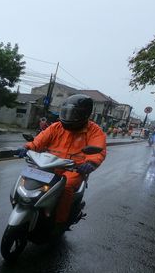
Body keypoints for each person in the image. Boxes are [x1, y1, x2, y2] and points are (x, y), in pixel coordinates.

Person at [18, 94, 107, 234]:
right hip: (48, 165)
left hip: (74, 169)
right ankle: (24, 204)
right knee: (28, 176)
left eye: (74, 113)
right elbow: (38, 141)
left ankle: (60, 222)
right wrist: (27, 147)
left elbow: (98, 150)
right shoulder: (56, 127)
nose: (69, 117)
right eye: (66, 112)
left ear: (85, 114)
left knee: (66, 187)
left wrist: (90, 163)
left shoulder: (94, 131)